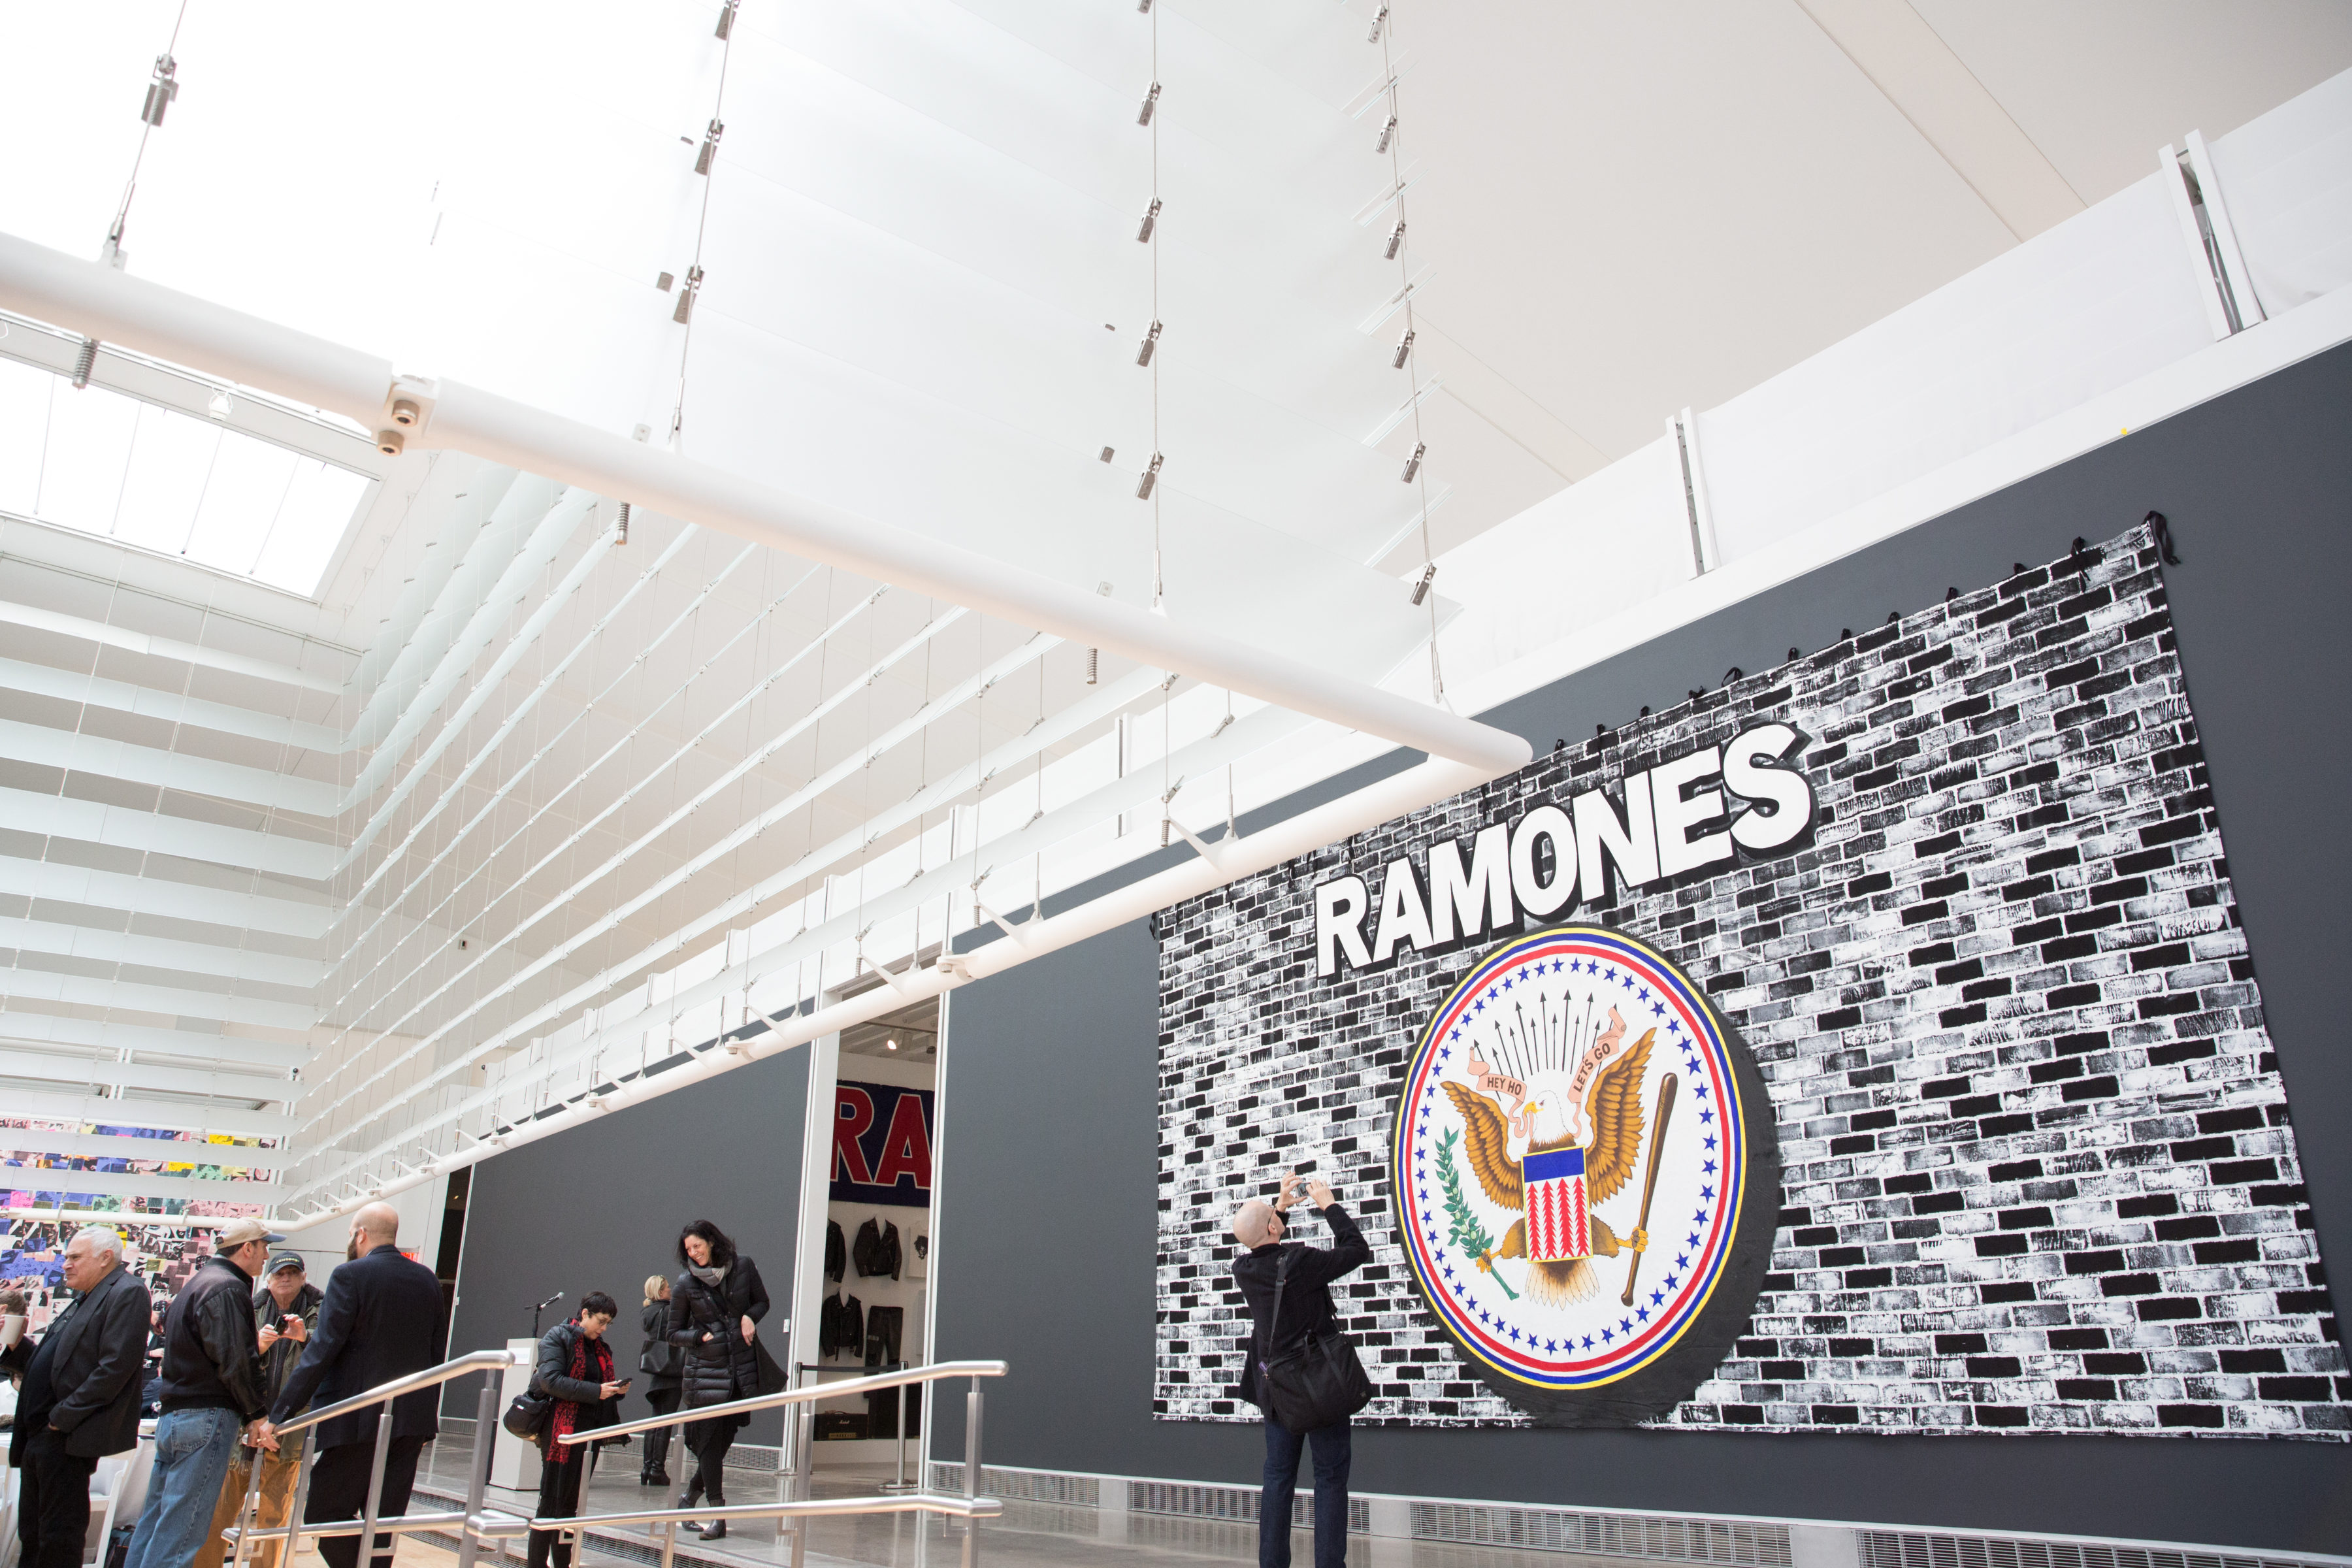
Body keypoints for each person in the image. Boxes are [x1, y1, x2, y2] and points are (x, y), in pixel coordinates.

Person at [263, 1203, 443, 1568]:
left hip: (356, 1421)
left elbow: (323, 1352)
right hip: (410, 1422)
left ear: (361, 1234)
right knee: (383, 1525)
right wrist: (426, 1419)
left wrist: (278, 1415)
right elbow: (436, 1354)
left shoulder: (350, 1275)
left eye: (350, 1234)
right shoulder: (427, 1279)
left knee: (323, 1514)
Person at [122, 1218, 280, 1568]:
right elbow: (236, 1359)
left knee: (156, 1525)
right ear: (247, 1248)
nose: (267, 1254)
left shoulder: (199, 1283)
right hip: (206, 1419)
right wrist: (257, 1414)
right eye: (264, 1246)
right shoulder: (227, 1287)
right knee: (181, 1536)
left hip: (175, 1417)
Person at [1232, 1173, 1367, 1568]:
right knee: (1329, 1479)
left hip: (1277, 1392)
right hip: (1321, 1386)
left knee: (1277, 1480)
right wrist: (1328, 1204)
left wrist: (1278, 1207)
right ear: (1275, 1228)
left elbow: (1264, 1246)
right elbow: (1356, 1249)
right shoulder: (1302, 1263)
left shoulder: (1244, 1269)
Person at [0, 1226, 152, 1568]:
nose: (65, 1264)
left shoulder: (126, 1292)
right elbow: (53, 1365)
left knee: (58, 1536)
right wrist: (16, 1344)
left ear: (105, 1258)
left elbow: (115, 1368)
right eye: (66, 1257)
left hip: (65, 1436)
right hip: (43, 1435)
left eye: (74, 1257)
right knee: (34, 1534)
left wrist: (60, 1419)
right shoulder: (88, 1296)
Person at [192, 1254, 320, 1568]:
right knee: (218, 1513)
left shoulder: (322, 1311)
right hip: (245, 1427)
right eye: (280, 1274)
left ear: (304, 1277)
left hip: (288, 1431)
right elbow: (230, 1363)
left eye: (293, 1273)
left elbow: (329, 1361)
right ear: (269, 1279)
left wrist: (305, 1338)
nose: (286, 1279)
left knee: (274, 1519)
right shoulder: (249, 1308)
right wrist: (258, 1348)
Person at [664, 1220, 770, 1541]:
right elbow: (672, 1333)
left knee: (723, 1443)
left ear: (712, 1241)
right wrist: (699, 1336)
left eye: (697, 1246)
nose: (693, 1254)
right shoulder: (685, 1283)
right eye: (688, 1250)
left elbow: (762, 1301)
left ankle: (686, 1500)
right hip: (705, 1374)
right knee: (710, 1444)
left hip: (739, 1371)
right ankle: (717, 1513)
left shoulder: (743, 1266)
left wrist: (750, 1317)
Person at [526, 1292, 627, 1568]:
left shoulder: (599, 1347)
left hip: (588, 1436)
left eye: (609, 1324)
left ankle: (562, 1564)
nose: (604, 1328)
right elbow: (551, 1381)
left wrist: (615, 1391)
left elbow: (597, 1385)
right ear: (585, 1314)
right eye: (601, 1321)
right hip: (561, 1431)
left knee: (570, 1508)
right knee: (550, 1504)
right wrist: (597, 1391)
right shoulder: (557, 1337)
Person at [636, 1275, 681, 1487]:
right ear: (660, 1291)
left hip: (656, 1373)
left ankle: (647, 1468)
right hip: (672, 1372)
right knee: (665, 1423)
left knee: (654, 1421)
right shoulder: (670, 1310)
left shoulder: (648, 1312)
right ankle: (657, 1470)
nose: (671, 1290)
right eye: (667, 1287)